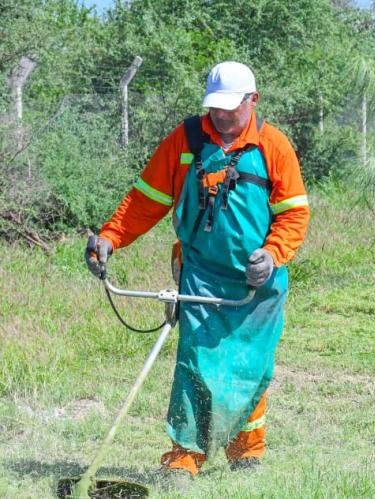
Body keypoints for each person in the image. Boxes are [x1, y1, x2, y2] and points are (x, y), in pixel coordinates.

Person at [84, 61, 310, 483]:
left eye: (230, 107)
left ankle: (246, 449)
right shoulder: (186, 140)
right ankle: (184, 456)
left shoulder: (273, 146)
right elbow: (145, 198)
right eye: (215, 107)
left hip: (257, 283)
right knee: (195, 363)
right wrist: (110, 237)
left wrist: (272, 253)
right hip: (201, 275)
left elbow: (294, 214)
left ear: (253, 100)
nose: (220, 116)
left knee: (251, 365)